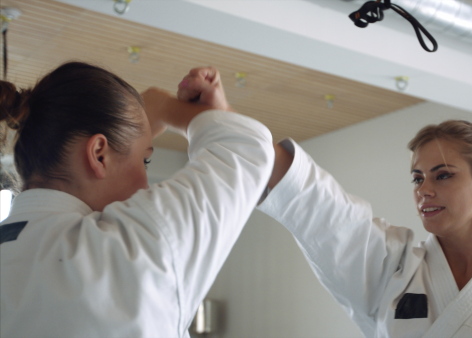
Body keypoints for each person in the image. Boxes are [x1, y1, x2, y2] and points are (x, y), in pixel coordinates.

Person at [0, 61, 276, 337]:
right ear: (98, 154)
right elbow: (246, 145)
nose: (144, 185)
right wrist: (167, 109)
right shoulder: (135, 242)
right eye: (145, 160)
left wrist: (134, 134)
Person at [255, 120, 472, 337]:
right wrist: (227, 127)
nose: (424, 190)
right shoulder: (391, 267)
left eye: (443, 175)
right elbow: (324, 209)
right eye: (418, 178)